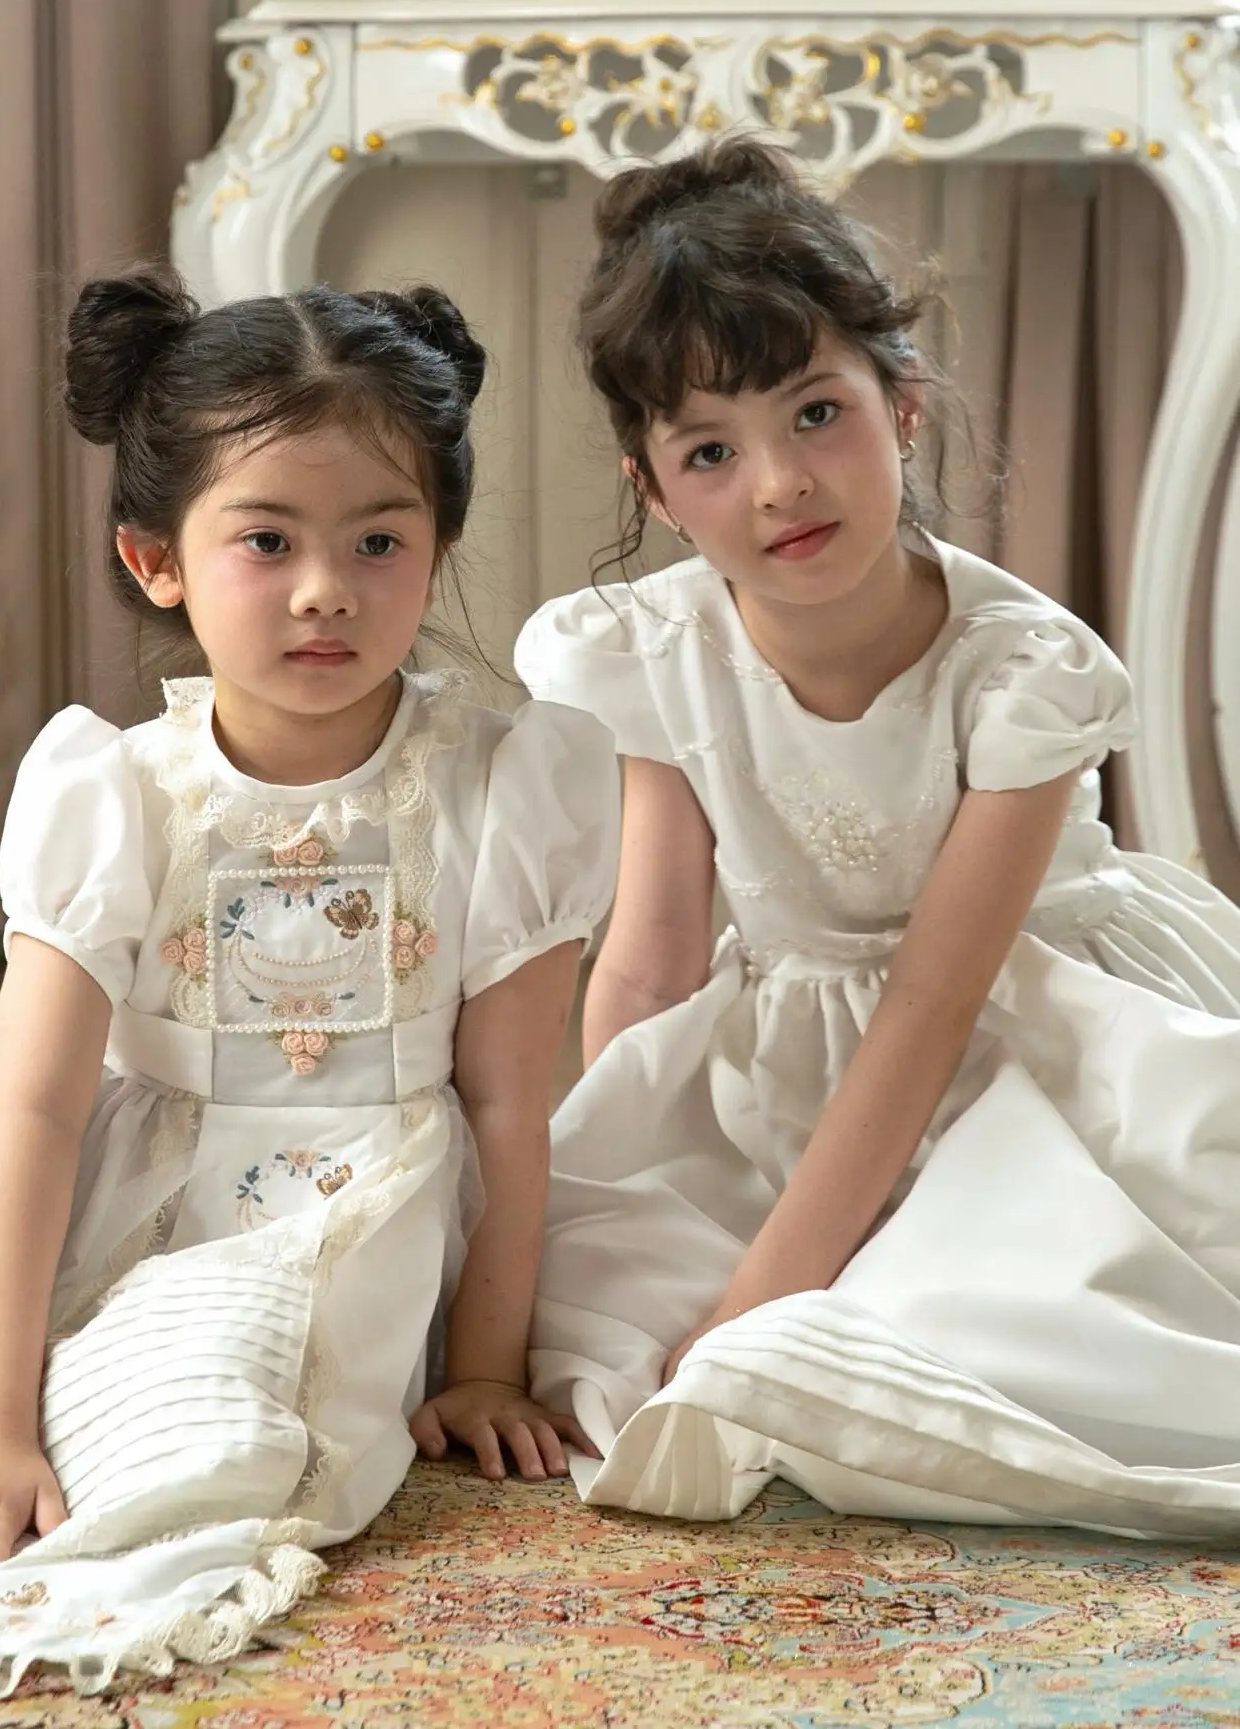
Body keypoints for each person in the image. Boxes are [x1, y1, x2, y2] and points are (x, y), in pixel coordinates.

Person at [0, 271, 615, 1691]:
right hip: (120, 1179)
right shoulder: (112, 792)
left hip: (372, 1189)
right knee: (11, 1425)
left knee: (217, 1431)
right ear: (158, 560)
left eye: (379, 541)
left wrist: (484, 1367)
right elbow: (33, 1114)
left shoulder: (507, 785)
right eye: (267, 541)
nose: (326, 589)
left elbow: (510, 1109)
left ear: (438, 547)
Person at [515, 134, 1240, 1539]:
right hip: (787, 1055)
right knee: (577, 1300)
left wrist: (751, 1301)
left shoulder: (1021, 670)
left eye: (815, 415)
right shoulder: (651, 650)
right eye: (711, 452)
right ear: (653, 490)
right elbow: (652, 961)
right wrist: (614, 1192)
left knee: (959, 1343)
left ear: (901, 407)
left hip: (1029, 1045)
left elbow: (931, 1005)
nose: (779, 484)